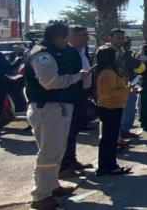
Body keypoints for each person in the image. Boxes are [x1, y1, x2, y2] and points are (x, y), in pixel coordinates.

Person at [25, 23, 89, 209]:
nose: (69, 41)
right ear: (59, 37)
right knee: (48, 153)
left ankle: (51, 186)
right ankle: (40, 196)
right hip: (47, 109)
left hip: (58, 108)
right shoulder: (43, 54)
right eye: (67, 37)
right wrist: (77, 77)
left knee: (57, 151)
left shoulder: (56, 51)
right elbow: (49, 82)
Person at [59, 25, 94, 179]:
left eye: (86, 35)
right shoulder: (67, 52)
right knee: (67, 131)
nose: (86, 38)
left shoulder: (82, 51)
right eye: (82, 36)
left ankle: (72, 160)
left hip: (82, 94)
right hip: (72, 96)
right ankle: (64, 166)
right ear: (71, 37)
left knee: (74, 130)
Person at [93, 46, 132, 176]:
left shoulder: (104, 71)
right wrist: (127, 89)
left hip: (109, 107)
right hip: (110, 107)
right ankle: (110, 166)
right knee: (109, 140)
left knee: (107, 139)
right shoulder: (108, 73)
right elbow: (110, 93)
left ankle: (106, 166)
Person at [119, 39, 140, 140]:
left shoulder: (121, 54)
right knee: (129, 107)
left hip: (125, 83)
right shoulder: (126, 55)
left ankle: (124, 131)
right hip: (127, 84)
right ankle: (124, 131)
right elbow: (136, 64)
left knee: (127, 107)